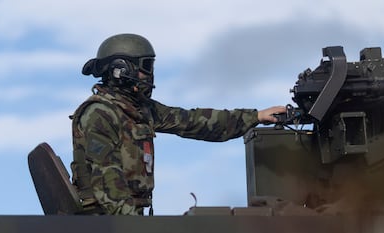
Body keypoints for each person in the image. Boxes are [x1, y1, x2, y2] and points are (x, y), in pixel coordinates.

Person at [71, 33, 286, 215]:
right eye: (145, 66)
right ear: (121, 70)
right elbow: (109, 188)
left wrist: (255, 116)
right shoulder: (100, 114)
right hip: (103, 225)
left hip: (124, 222)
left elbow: (194, 122)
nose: (150, 74)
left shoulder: (139, 110)